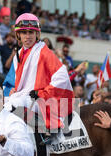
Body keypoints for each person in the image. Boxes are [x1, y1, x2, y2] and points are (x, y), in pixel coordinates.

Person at [7, 13, 74, 144]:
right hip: (26, 95)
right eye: (24, 32)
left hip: (43, 99)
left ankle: (50, 130)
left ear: (37, 34)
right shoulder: (18, 54)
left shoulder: (44, 52)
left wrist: (42, 93)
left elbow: (62, 75)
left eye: (31, 32)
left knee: (14, 105)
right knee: (5, 103)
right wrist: (14, 89)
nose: (28, 36)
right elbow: (22, 82)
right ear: (18, 35)